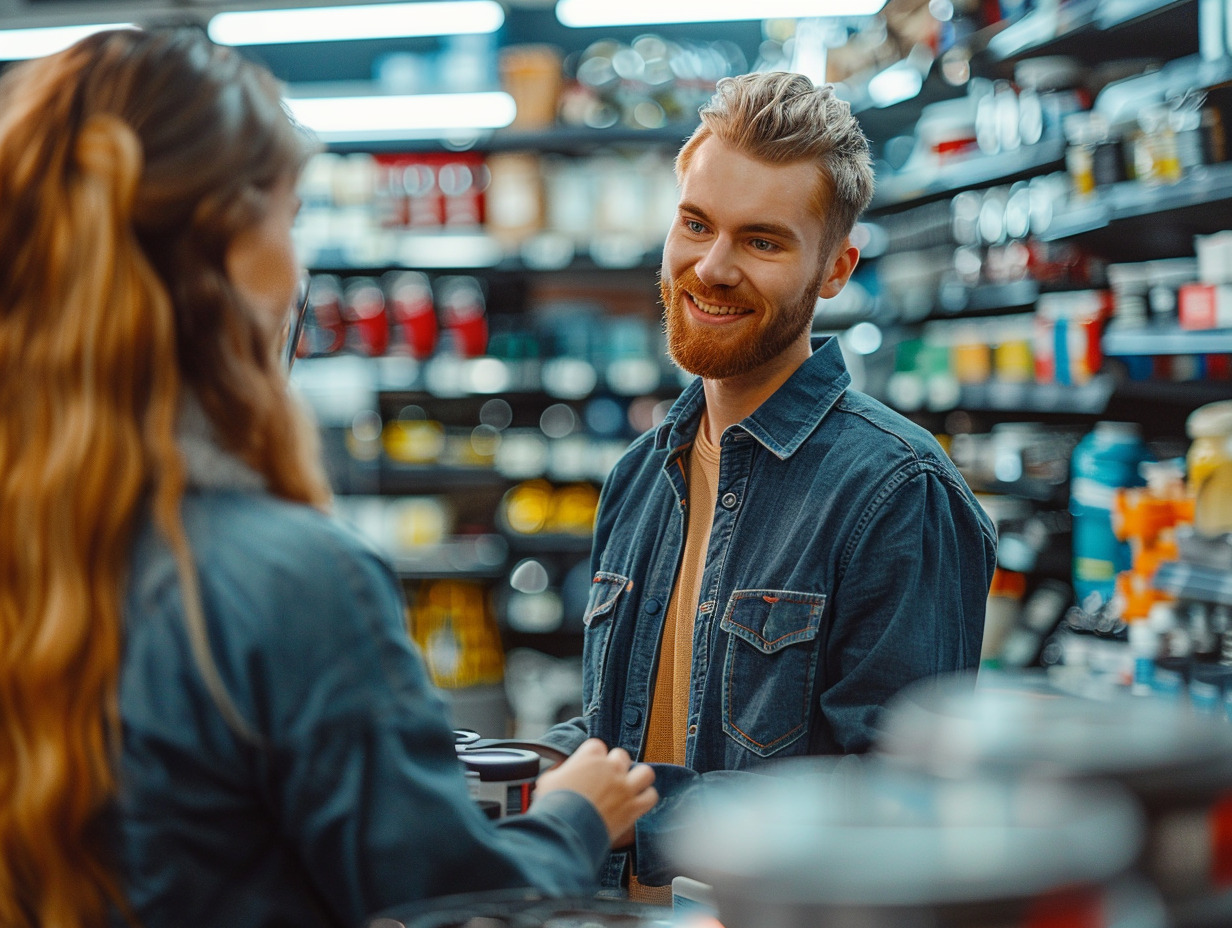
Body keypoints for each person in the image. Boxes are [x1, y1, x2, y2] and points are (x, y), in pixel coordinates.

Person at [0, 27, 656, 928]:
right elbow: (452, 909)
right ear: (229, 249)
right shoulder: (289, 582)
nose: (299, 264)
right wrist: (577, 817)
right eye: (291, 215)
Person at [541, 72, 998, 895]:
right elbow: (630, 723)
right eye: (695, 224)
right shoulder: (641, 477)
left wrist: (634, 808)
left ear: (835, 269)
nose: (710, 268)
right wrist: (529, 774)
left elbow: (898, 807)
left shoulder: (896, 492)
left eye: (762, 241)